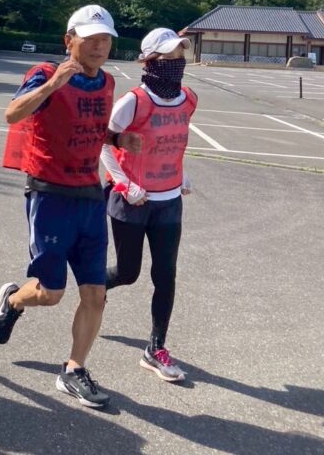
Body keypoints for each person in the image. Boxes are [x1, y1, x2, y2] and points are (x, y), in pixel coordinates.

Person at [0, 5, 141, 409]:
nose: (99, 46)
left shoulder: (107, 81)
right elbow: (12, 114)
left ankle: (74, 369)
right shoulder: (44, 73)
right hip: (50, 195)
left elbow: (93, 127)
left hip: (89, 195)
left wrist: (117, 140)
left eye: (105, 39)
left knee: (96, 293)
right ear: (69, 40)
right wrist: (53, 84)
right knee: (51, 293)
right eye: (91, 39)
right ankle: (14, 300)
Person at [100, 27, 197, 383]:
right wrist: (125, 184)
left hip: (169, 201)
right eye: (169, 56)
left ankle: (156, 348)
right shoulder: (134, 102)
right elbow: (104, 143)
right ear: (149, 61)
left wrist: (181, 173)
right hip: (132, 201)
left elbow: (174, 141)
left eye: (180, 55)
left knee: (166, 276)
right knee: (128, 273)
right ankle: (96, 287)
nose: (177, 61)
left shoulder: (188, 99)